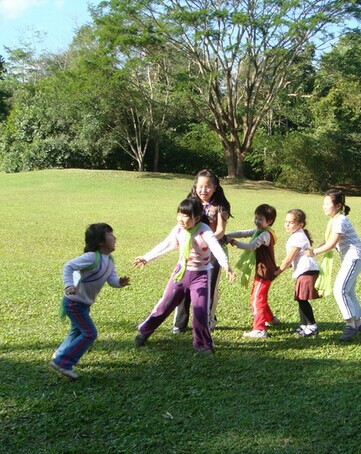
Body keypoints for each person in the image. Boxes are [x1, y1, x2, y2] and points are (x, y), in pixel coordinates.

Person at [133, 197, 236, 353]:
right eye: (179, 214)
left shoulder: (204, 231)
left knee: (201, 310)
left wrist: (226, 265)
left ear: (197, 218)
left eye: (186, 216)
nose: (181, 219)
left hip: (201, 276)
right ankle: (145, 331)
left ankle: (202, 343)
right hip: (181, 273)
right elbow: (166, 244)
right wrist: (146, 257)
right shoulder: (179, 230)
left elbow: (216, 248)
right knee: (165, 304)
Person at [49, 223, 130, 380]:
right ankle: (63, 362)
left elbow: (111, 279)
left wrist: (120, 282)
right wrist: (69, 285)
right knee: (89, 333)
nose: (115, 237)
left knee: (77, 331)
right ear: (100, 242)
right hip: (74, 303)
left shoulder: (109, 260)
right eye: (110, 235)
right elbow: (68, 266)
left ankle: (59, 355)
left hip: (83, 304)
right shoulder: (91, 257)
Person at [173, 169, 232, 333]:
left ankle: (207, 321)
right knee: (183, 285)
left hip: (214, 251)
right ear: (195, 187)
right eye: (200, 186)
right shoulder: (190, 204)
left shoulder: (220, 206)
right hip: (191, 250)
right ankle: (179, 324)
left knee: (209, 287)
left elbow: (220, 230)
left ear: (214, 187)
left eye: (207, 187)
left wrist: (207, 240)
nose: (203, 190)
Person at [306, 189, 361, 341]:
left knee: (340, 290)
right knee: (348, 291)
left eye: (327, 204)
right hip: (350, 258)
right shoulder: (334, 220)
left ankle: (351, 324)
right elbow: (328, 240)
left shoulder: (340, 220)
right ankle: (358, 322)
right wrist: (313, 249)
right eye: (323, 204)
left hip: (354, 257)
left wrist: (314, 252)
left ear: (337, 206)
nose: (324, 207)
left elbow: (331, 244)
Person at [226, 204, 278, 338]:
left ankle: (260, 329)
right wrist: (226, 235)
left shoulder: (265, 234)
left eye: (260, 219)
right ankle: (271, 319)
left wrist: (233, 241)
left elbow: (250, 246)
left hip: (264, 272)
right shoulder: (260, 231)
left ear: (269, 221)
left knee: (256, 299)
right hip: (263, 271)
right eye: (256, 218)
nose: (257, 221)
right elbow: (244, 233)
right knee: (259, 296)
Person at [275, 209, 320, 337]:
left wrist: (278, 271)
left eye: (291, 222)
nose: (287, 225)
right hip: (303, 271)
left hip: (307, 271)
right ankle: (303, 326)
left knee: (302, 299)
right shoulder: (296, 235)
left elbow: (289, 258)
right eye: (286, 222)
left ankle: (312, 326)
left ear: (300, 224)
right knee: (300, 299)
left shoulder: (298, 237)